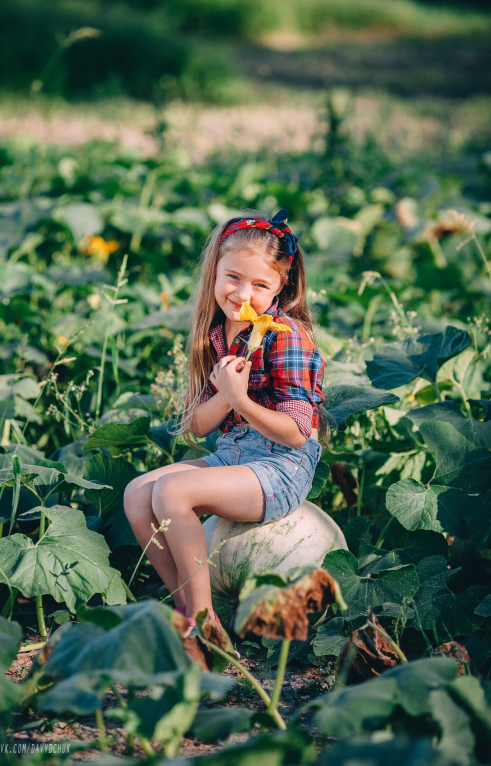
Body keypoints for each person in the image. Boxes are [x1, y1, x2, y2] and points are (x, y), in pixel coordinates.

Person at [124, 209, 325, 636]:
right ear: (215, 269)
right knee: (137, 494)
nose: (243, 295)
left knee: (172, 491)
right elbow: (197, 426)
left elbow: (296, 432)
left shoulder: (286, 337)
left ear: (280, 287)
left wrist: (241, 400)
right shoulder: (217, 334)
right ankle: (185, 608)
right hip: (236, 455)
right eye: (233, 277)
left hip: (282, 468)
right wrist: (223, 396)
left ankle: (204, 623)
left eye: (260, 285)